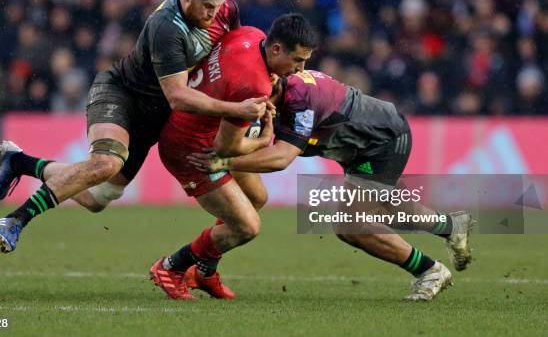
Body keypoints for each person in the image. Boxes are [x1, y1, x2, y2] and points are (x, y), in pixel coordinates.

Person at [0, 0, 267, 253]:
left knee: (96, 199)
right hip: (121, 96)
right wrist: (236, 109)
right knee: (107, 162)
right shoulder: (167, 28)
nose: (213, 13)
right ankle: (15, 220)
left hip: (153, 118)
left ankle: (21, 162)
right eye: (206, 6)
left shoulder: (226, 9)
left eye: (217, 5)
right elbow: (178, 97)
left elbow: (232, 55)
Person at [188, 70, 474, 301]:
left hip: (382, 142)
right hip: (358, 146)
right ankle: (451, 226)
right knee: (393, 211)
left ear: (273, 79)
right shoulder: (274, 97)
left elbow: (281, 158)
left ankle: (429, 271)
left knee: (351, 226)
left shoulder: (299, 98)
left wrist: (224, 163)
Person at [150, 14, 318, 300]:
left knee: (256, 198)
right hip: (192, 150)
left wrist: (272, 75)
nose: (301, 69)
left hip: (189, 128)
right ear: (276, 50)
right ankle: (171, 267)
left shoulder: (250, 35)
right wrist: (265, 139)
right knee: (247, 226)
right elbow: (225, 149)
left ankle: (203, 272)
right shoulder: (253, 86)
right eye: (297, 61)